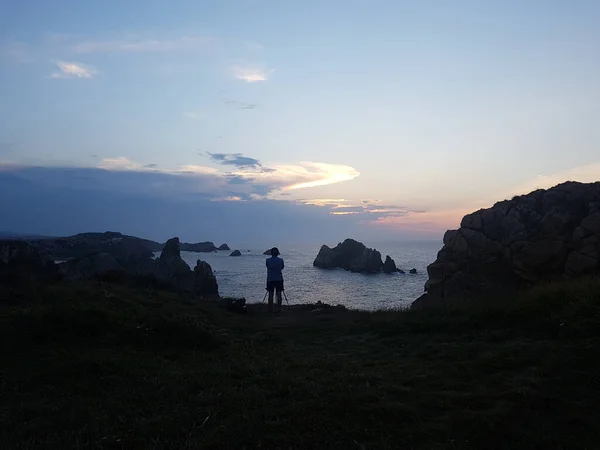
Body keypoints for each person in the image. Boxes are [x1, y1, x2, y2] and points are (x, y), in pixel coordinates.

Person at [265, 247, 284, 313]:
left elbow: (267, 266)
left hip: (270, 279)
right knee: (279, 294)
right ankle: (279, 308)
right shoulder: (281, 260)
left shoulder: (267, 260)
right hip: (279, 279)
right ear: (277, 253)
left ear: (271, 253)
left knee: (270, 294)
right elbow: (282, 267)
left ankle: (270, 309)